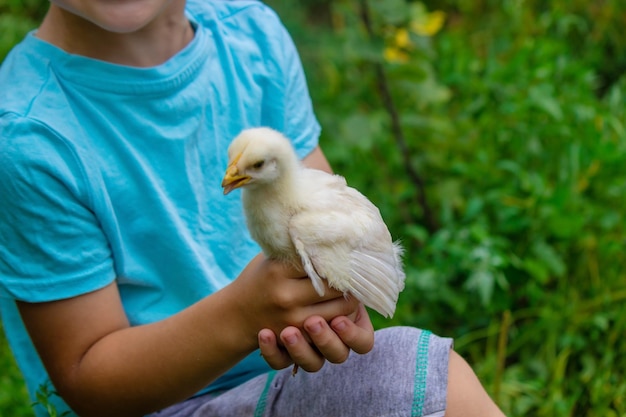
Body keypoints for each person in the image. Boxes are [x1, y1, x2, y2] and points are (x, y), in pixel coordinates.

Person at [0, 1, 506, 416]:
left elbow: (335, 214)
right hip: (161, 407)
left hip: (291, 374)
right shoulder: (28, 136)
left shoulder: (252, 39)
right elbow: (90, 383)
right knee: (421, 380)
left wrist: (337, 304)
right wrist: (243, 316)